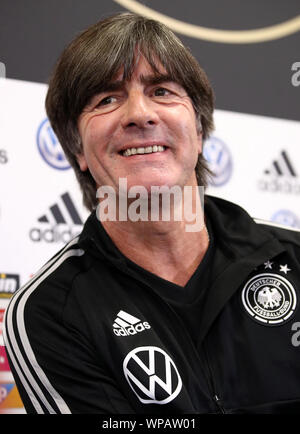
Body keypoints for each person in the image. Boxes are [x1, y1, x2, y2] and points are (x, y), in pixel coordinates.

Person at [4, 12, 300, 414]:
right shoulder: (51, 313)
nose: (140, 114)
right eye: (106, 99)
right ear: (77, 150)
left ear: (198, 131)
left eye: (161, 91)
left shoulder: (293, 258)